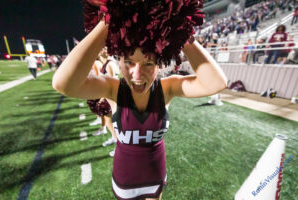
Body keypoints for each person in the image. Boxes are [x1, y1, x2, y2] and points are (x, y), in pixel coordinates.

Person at [52, 0, 227, 199]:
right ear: (119, 61)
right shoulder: (112, 88)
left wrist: (181, 30)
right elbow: (63, 84)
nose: (137, 74)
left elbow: (216, 83)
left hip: (156, 177)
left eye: (148, 63)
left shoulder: (167, 89)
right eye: (129, 62)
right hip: (125, 180)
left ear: (159, 64)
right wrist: (108, 22)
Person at [86, 48, 119, 156]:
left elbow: (113, 83)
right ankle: (115, 139)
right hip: (108, 97)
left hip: (111, 99)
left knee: (112, 123)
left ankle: (120, 147)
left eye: (104, 48)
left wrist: (102, 97)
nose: (100, 50)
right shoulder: (106, 63)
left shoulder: (110, 64)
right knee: (109, 122)